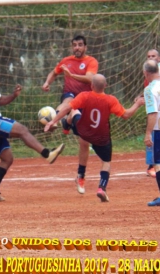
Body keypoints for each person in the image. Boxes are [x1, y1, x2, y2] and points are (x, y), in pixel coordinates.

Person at [0, 59, 65, 202]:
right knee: (22, 130)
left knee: (7, 159)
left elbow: (0, 100)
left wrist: (13, 95)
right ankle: (47, 153)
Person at [44, 74, 144, 202]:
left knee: (74, 111)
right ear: (106, 86)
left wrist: (52, 122)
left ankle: (66, 127)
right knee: (106, 162)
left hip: (84, 131)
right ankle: (101, 188)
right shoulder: (111, 100)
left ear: (91, 85)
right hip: (101, 137)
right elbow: (126, 115)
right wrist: (138, 104)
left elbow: (68, 108)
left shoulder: (84, 96)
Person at [42, 35, 99, 194]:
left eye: (80, 45)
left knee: (84, 142)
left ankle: (81, 175)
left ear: (85, 47)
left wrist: (72, 75)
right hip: (71, 96)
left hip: (86, 101)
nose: (77, 48)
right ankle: (59, 119)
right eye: (74, 45)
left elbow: (89, 78)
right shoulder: (66, 60)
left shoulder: (91, 62)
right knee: (69, 103)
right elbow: (54, 72)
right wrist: (47, 83)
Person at [142, 60, 160, 206]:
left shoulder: (149, 89)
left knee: (158, 163)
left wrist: (148, 134)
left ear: (146, 73)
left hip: (158, 130)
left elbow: (153, 113)